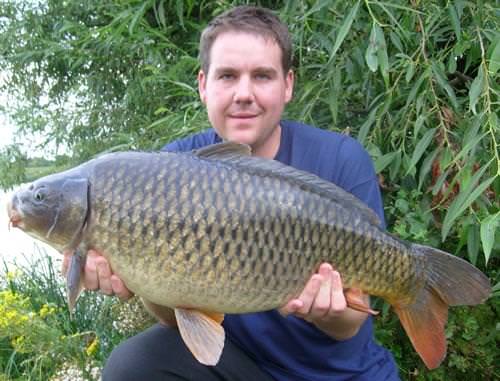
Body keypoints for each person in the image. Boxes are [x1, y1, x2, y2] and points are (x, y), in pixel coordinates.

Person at [64, 5, 400, 380]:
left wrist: (332, 312)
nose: (244, 93)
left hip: (339, 375)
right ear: (203, 85)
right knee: (133, 366)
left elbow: (351, 324)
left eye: (262, 76)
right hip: (245, 369)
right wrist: (138, 274)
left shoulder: (340, 158)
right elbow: (177, 319)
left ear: (287, 84)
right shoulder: (170, 168)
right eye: (227, 76)